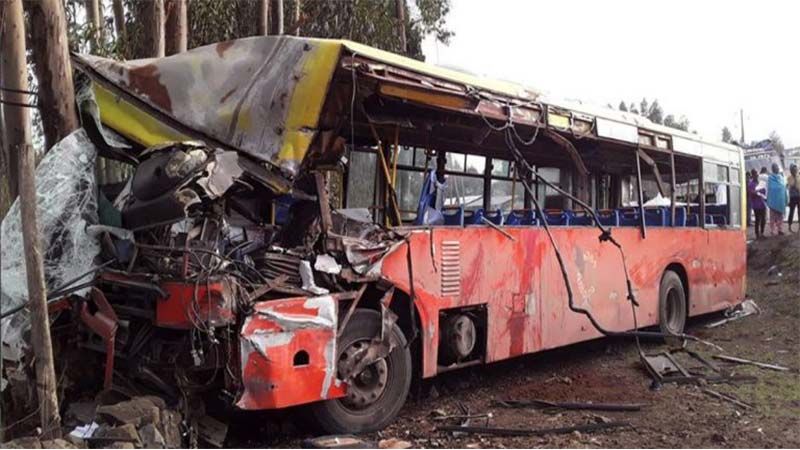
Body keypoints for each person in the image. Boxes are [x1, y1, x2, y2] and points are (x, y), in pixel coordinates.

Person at [766, 163, 787, 236]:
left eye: (777, 167)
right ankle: (772, 230)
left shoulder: (781, 177)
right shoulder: (770, 178)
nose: (777, 169)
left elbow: (784, 187)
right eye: (776, 168)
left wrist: (786, 198)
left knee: (780, 216)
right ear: (773, 169)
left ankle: (780, 230)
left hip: (781, 200)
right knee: (772, 216)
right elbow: (769, 188)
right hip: (773, 200)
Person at [748, 169, 767, 238]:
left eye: (757, 173)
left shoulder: (760, 183)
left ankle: (762, 233)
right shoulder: (750, 184)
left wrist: (758, 193)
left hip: (762, 203)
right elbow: (752, 193)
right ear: (752, 175)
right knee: (757, 220)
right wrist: (758, 193)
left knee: (764, 219)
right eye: (755, 174)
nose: (757, 175)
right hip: (756, 205)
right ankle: (757, 234)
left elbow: (764, 191)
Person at [788, 164, 800, 233]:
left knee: (799, 212)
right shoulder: (789, 177)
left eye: (796, 169)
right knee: (791, 212)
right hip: (792, 197)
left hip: (799, 196)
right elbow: (792, 186)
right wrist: (795, 178)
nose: (795, 170)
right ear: (791, 170)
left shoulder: (798, 176)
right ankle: (789, 226)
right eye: (794, 169)